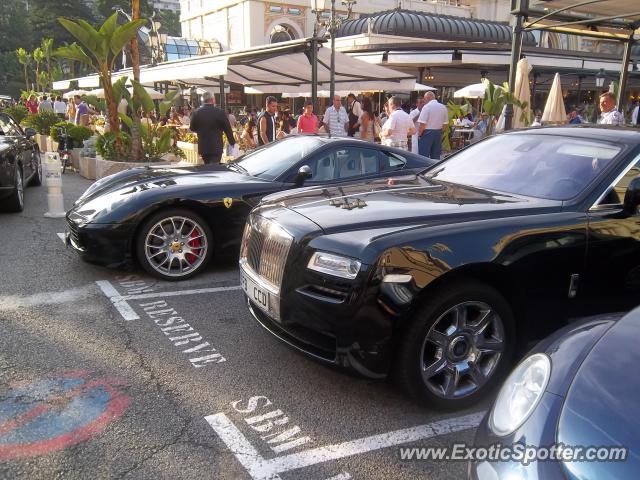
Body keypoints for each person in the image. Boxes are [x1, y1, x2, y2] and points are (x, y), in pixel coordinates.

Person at [189, 91, 235, 165]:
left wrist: (201, 130)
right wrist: (232, 142)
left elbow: (192, 128)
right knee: (214, 167)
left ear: (203, 101)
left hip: (203, 146)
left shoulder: (197, 113)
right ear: (213, 100)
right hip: (216, 146)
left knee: (207, 166)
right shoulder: (219, 112)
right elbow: (227, 129)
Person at [417, 91, 448, 159]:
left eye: (424, 99)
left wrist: (419, 135)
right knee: (436, 157)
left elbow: (422, 124)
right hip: (438, 133)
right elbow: (445, 125)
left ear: (427, 98)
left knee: (423, 157)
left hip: (427, 133)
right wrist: (439, 132)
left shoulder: (427, 107)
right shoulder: (443, 107)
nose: (424, 101)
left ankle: (425, 169)